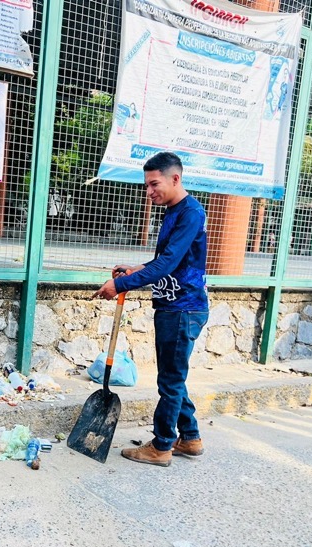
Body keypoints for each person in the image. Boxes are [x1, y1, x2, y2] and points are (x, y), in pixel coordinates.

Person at [92, 152, 208, 468]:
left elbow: (169, 263)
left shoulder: (190, 213)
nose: (149, 191)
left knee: (169, 381)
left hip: (182, 308)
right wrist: (136, 269)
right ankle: (191, 437)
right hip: (174, 305)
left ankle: (161, 446)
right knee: (173, 378)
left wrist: (121, 286)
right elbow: (167, 259)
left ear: (175, 178)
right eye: (147, 185)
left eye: (154, 184)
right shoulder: (174, 211)